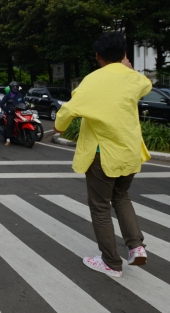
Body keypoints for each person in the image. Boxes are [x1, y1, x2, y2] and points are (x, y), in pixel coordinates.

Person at [54, 32, 151, 278]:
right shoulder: (135, 79)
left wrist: (59, 126)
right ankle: (136, 246)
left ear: (98, 56)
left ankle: (111, 262)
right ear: (124, 54)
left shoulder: (91, 81)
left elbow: (66, 114)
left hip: (102, 155)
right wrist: (127, 66)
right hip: (129, 152)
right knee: (121, 197)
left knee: (99, 207)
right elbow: (145, 86)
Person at [0, 81, 25, 146]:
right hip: (11, 113)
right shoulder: (8, 95)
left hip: (20, 112)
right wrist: (7, 110)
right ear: (11, 88)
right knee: (10, 124)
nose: (15, 88)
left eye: (16, 87)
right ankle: (8, 140)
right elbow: (1, 104)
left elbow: (23, 103)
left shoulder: (20, 95)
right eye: (14, 87)